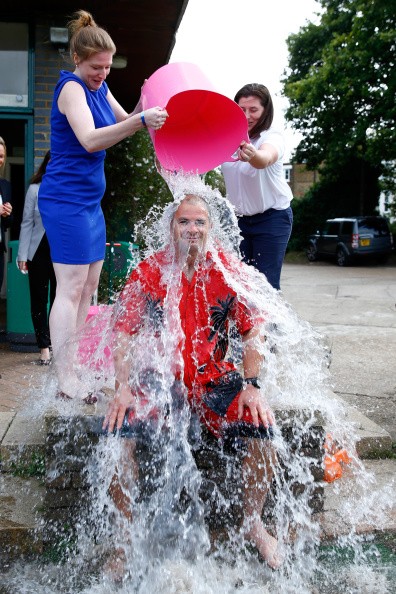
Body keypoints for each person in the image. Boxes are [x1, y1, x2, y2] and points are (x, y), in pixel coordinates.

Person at [103, 193, 282, 572]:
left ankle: (254, 524)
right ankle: (123, 539)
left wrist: (252, 384)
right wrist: (122, 386)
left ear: (210, 228)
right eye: (184, 221)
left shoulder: (227, 272)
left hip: (215, 379)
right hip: (159, 380)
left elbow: (255, 333)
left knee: (263, 427)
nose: (192, 229)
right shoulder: (150, 271)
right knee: (118, 434)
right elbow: (124, 334)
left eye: (200, 222)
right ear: (172, 227)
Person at [38, 10, 168, 402]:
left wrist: (145, 102)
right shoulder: (72, 88)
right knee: (71, 288)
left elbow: (126, 123)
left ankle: (75, 369)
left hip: (90, 204)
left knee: (89, 286)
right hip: (65, 200)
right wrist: (140, 121)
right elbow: (92, 140)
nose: (103, 73)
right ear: (78, 59)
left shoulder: (99, 87)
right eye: (97, 66)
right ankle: (64, 378)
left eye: (108, 67)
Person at [221, 83, 293, 291]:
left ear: (265, 111)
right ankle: (245, 325)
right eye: (241, 110)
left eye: (253, 110)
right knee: (239, 285)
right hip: (238, 222)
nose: (246, 116)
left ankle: (270, 325)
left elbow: (265, 158)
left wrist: (253, 155)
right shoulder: (227, 137)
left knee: (265, 286)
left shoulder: (272, 136)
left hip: (272, 220)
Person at [17, 151, 56, 365]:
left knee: (60, 300)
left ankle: (59, 344)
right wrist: (22, 255)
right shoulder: (34, 189)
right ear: (46, 164)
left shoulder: (68, 188)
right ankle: (44, 348)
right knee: (39, 300)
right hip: (38, 252)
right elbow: (26, 223)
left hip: (62, 252)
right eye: (52, 161)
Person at [0, 137, 13, 295]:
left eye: (2, 156)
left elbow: (8, 223)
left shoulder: (5, 185)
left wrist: (7, 214)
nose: (0, 160)